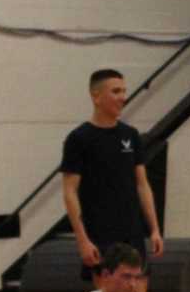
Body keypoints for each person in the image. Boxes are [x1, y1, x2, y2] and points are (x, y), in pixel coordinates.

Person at [61, 69, 161, 279]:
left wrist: (154, 229)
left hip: (132, 233)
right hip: (100, 234)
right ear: (96, 96)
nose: (123, 97)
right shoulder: (78, 139)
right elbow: (70, 192)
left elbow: (142, 184)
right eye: (116, 91)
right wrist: (82, 240)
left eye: (124, 91)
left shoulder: (131, 135)